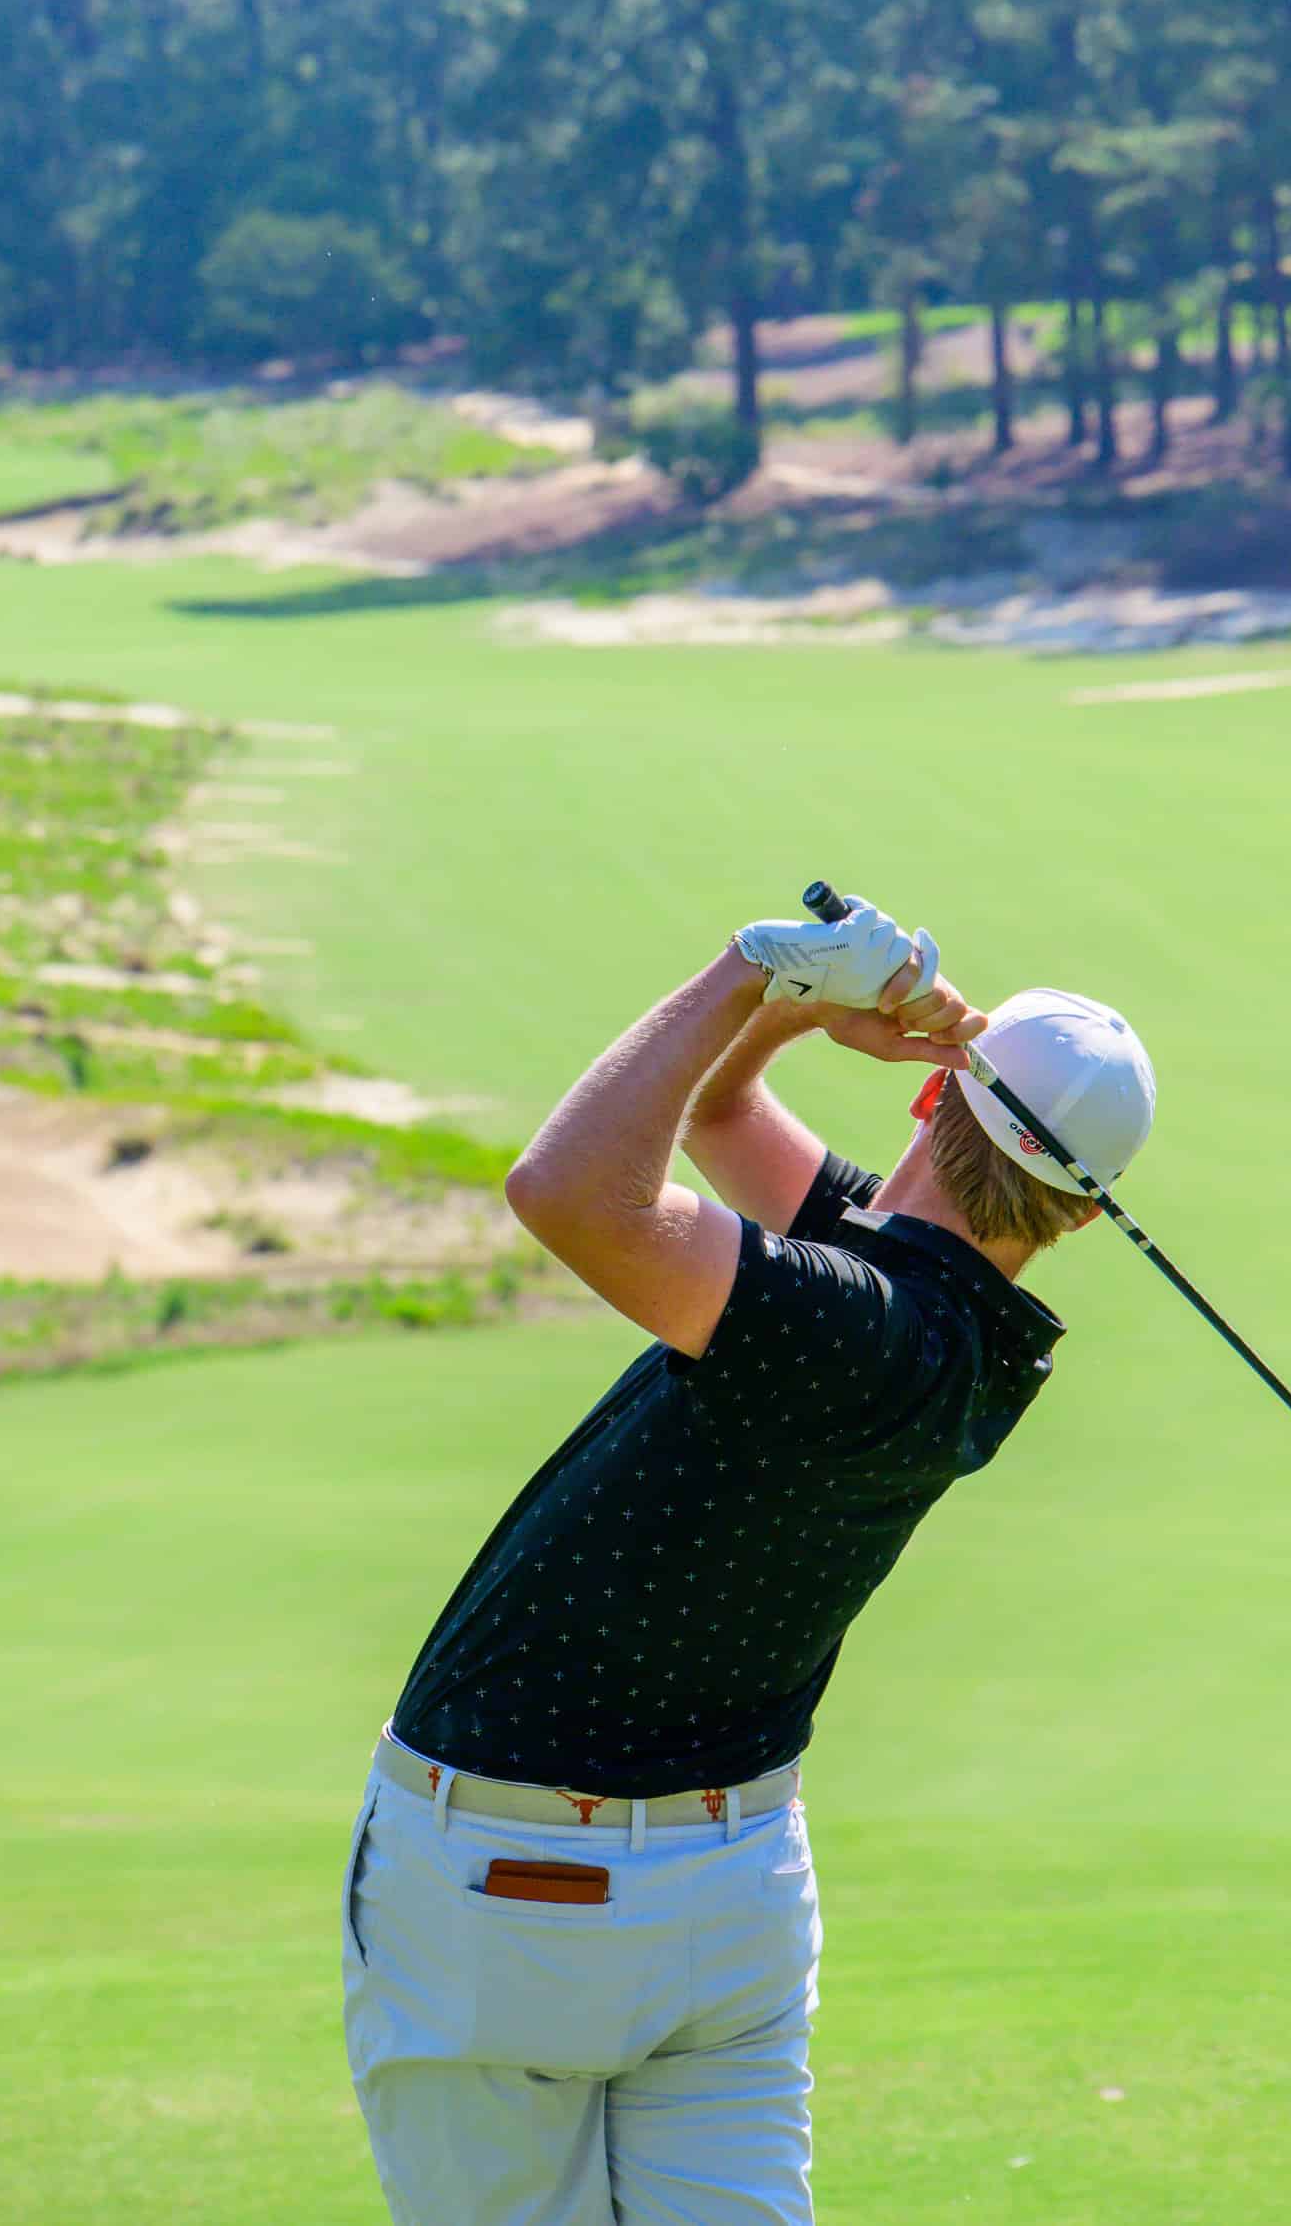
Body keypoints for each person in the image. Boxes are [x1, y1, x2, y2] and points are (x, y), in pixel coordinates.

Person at [340, 895, 1156, 2225]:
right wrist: (792, 1025)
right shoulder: (968, 1335)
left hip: (515, 1885)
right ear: (1073, 1208)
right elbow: (721, 1124)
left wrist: (755, 968)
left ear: (932, 1107)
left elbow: (565, 1191)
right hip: (728, 1901)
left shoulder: (846, 1321)